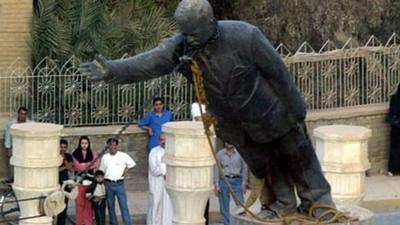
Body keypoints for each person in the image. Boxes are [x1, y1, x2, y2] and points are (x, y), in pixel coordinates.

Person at [80, 0, 335, 219]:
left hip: (273, 114)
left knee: (298, 158)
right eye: (185, 33)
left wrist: (296, 108)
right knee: (267, 165)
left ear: (210, 22)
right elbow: (151, 61)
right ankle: (283, 204)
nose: (188, 39)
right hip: (238, 126)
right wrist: (113, 70)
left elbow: (278, 73)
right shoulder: (183, 46)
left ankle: (319, 202)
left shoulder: (245, 35)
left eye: (193, 33)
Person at [100, 138, 135, 225]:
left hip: (119, 184)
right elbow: (102, 171)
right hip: (108, 184)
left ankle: (127, 223)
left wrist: (125, 171)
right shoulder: (105, 157)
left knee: (124, 206)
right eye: (110, 145)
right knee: (110, 207)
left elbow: (132, 164)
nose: (112, 147)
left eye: (114, 145)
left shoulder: (123, 155)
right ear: (108, 146)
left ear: (117, 146)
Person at [214, 142, 248, 225]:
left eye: (230, 140)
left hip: (237, 181)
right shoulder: (220, 154)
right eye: (226, 141)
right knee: (224, 207)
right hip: (224, 181)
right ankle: (227, 223)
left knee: (241, 206)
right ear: (224, 143)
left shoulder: (240, 153)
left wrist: (244, 183)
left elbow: (245, 168)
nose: (229, 143)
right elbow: (216, 169)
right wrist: (217, 184)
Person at [72, 136, 99, 225]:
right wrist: (89, 165)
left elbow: (96, 163)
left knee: (88, 205)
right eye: (82, 143)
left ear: (88, 144)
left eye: (86, 143)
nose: (84, 145)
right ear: (80, 144)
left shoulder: (93, 153)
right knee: (79, 205)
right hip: (79, 183)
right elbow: (78, 167)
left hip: (89, 183)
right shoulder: (75, 154)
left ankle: (88, 223)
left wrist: (84, 165)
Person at [147, 134, 173, 225]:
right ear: (159, 140)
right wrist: (164, 173)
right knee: (156, 203)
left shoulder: (172, 151)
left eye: (165, 140)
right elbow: (153, 168)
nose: (163, 142)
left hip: (169, 182)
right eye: (161, 140)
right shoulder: (154, 152)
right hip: (157, 182)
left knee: (168, 205)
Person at [3, 106, 30, 182]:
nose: (22, 116)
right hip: (14, 147)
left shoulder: (29, 124)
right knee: (13, 163)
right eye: (21, 113)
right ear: (18, 114)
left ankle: (23, 180)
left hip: (25, 147)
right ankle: (12, 179)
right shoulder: (12, 124)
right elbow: (8, 136)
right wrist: (8, 149)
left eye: (24, 114)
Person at [56, 139, 74, 225]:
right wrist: (64, 168)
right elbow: (54, 170)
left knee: (64, 205)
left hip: (66, 183)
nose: (62, 149)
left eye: (64, 147)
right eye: (61, 147)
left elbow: (70, 169)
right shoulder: (54, 156)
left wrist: (64, 160)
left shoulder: (68, 156)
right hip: (56, 184)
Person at [387, 84, 400, 175]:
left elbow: (392, 111)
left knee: (394, 149)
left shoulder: (394, 98)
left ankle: (392, 169)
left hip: (395, 127)